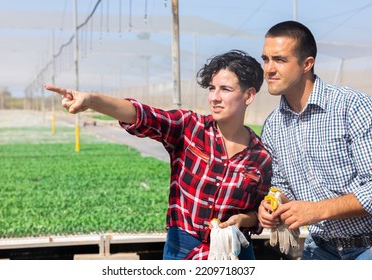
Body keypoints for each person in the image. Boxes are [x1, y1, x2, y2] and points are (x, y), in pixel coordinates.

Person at [45, 49, 272, 260]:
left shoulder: (260, 157)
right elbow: (141, 115)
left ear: (249, 95)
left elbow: (257, 212)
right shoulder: (190, 128)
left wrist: (245, 219)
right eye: (212, 88)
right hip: (183, 249)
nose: (214, 97)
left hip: (233, 253)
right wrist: (92, 101)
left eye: (225, 89)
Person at [258, 20, 372, 260]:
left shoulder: (353, 106)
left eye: (280, 60)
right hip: (321, 248)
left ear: (307, 64)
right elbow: (281, 185)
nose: (269, 69)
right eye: (266, 59)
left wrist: (317, 209)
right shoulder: (274, 125)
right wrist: (274, 203)